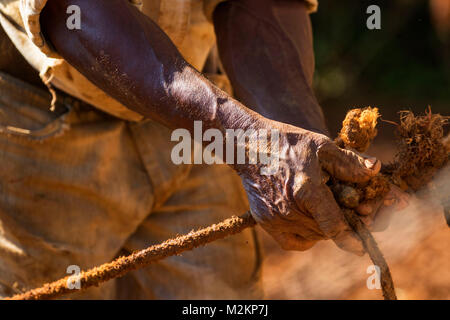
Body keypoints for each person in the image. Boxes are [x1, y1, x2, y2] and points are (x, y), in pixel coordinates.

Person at [0, 0, 405, 299]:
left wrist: (301, 152)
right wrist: (251, 145)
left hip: (200, 119)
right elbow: (72, 11)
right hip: (43, 120)